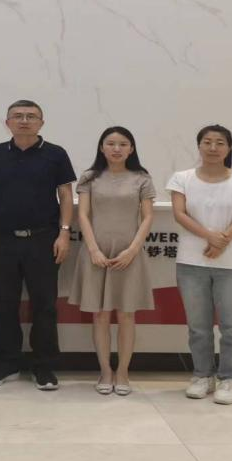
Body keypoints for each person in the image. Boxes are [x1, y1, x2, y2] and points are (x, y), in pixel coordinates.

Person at [0, 100, 76, 390]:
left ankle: (43, 366)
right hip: (2, 239)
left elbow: (66, 195)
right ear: (7, 122)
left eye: (31, 116)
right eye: (18, 116)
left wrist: (64, 233)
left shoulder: (56, 154)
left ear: (41, 123)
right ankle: (6, 363)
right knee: (3, 304)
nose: (24, 121)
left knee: (44, 305)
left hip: (44, 239)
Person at [167, 124, 232, 405]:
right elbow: (180, 214)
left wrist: (222, 241)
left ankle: (230, 379)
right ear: (199, 146)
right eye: (207, 142)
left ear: (229, 148)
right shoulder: (181, 178)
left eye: (220, 143)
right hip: (191, 261)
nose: (213, 147)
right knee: (198, 326)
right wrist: (210, 237)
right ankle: (202, 376)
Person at [69, 126, 155, 396]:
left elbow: (148, 217)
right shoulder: (90, 177)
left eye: (123, 144)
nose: (117, 149)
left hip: (129, 253)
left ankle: (123, 372)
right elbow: (83, 215)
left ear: (131, 149)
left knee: (127, 315)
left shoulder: (142, 178)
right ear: (101, 147)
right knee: (100, 315)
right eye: (111, 143)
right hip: (96, 253)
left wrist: (132, 250)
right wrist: (93, 249)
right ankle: (105, 370)